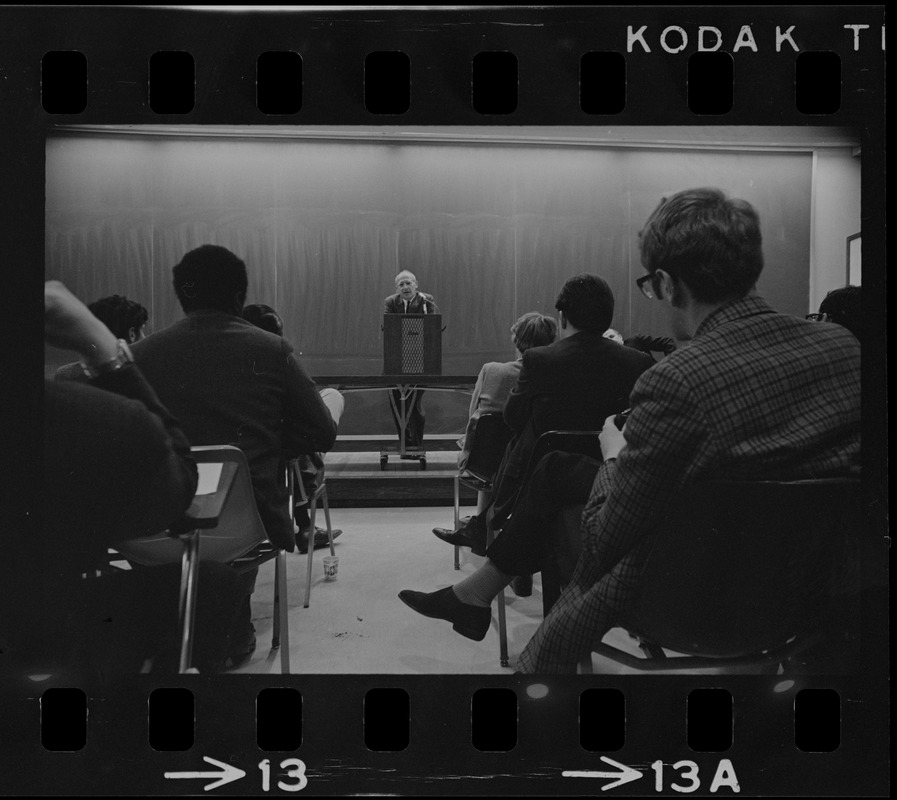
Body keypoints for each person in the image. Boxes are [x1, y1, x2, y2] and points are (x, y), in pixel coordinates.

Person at [399, 189, 861, 667]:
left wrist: (615, 450)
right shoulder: (844, 349)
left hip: (685, 605)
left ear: (665, 282)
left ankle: (492, 607)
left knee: (559, 495)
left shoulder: (677, 380)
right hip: (808, 602)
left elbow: (605, 536)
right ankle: (474, 597)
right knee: (558, 468)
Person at [4, 281, 242, 679]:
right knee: (212, 585)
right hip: (43, 615)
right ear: (131, 335)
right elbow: (179, 486)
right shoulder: (105, 414)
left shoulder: (65, 382)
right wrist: (107, 353)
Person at [128, 245, 340, 667]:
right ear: (239, 295)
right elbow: (321, 431)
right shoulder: (271, 349)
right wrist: (269, 444)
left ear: (182, 296)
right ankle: (230, 629)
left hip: (159, 521)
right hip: (248, 523)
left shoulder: (142, 355)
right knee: (239, 512)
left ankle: (174, 633)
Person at [429, 274, 654, 556]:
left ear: (562, 317)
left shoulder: (541, 359)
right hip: (611, 470)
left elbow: (513, 417)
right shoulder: (638, 362)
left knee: (522, 437)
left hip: (542, 474)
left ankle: (485, 526)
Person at [432, 312, 558, 545]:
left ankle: (481, 527)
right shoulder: (555, 376)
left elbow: (474, 418)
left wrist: (465, 449)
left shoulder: (491, 370)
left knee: (493, 453)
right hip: (539, 462)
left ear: (516, 340)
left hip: (486, 462)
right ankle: (484, 527)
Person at [241, 302, 344, 553]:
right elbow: (321, 430)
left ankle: (304, 524)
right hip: (279, 464)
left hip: (235, 477)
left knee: (289, 438)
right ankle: (305, 525)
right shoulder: (279, 358)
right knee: (330, 399)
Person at [382, 270, 440, 449]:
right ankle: (404, 442)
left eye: (408, 283)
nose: (405, 287)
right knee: (396, 401)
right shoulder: (391, 302)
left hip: (421, 361)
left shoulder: (426, 301)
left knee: (413, 403)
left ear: (416, 284)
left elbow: (433, 328)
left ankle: (416, 443)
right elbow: (388, 328)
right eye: (401, 284)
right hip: (396, 362)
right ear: (397, 288)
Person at [55, 294, 149, 380]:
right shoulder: (146, 374)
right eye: (142, 330)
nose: (145, 337)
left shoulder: (65, 375)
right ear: (131, 334)